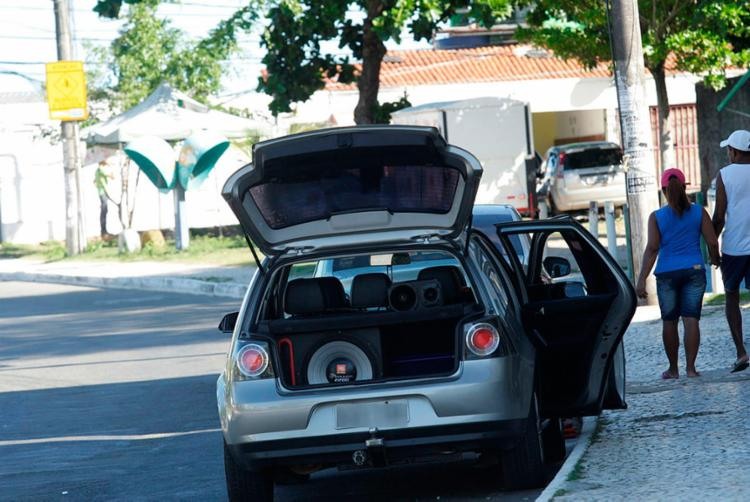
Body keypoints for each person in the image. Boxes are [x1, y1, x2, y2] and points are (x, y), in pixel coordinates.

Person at [636, 168, 720, 379]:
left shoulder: (656, 217)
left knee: (669, 321)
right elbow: (711, 240)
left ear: (664, 190)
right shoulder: (699, 212)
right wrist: (715, 258)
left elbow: (652, 249)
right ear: (685, 187)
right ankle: (691, 369)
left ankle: (673, 369)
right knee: (691, 319)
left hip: (667, 274)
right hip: (694, 270)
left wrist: (641, 279)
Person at [711, 129, 750, 373]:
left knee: (731, 296)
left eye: (729, 150)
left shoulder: (724, 175)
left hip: (734, 248)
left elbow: (719, 216)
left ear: (734, 151)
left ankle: (741, 352)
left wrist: (712, 247)